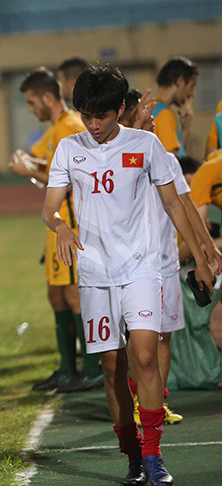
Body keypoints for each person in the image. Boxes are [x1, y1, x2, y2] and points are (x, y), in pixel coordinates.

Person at [43, 64, 215, 486]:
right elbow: (49, 207)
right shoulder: (69, 148)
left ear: (120, 109)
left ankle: (155, 455)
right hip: (95, 272)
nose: (94, 124)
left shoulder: (147, 145)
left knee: (144, 356)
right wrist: (62, 226)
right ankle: (132, 454)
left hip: (141, 268)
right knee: (111, 367)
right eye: (86, 114)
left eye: (102, 115)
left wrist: (201, 259)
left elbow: (176, 205)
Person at [119, 90, 222, 425]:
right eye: (144, 113)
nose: (152, 118)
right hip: (131, 265)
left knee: (164, 336)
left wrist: (207, 248)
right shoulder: (115, 157)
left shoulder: (164, 156)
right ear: (127, 116)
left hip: (165, 262)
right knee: (139, 339)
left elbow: (187, 204)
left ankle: (156, 403)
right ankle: (137, 401)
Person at [9, 67, 102, 393]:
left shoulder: (71, 127)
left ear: (49, 97)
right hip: (56, 223)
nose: (30, 109)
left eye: (32, 102)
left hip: (72, 223)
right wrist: (27, 162)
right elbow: (42, 163)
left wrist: (27, 171)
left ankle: (92, 368)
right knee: (57, 295)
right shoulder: (56, 128)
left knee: (75, 296)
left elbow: (71, 177)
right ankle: (67, 369)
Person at [170, 155, 222, 391]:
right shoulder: (213, 164)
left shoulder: (206, 172)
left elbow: (198, 237)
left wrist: (205, 254)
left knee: (216, 322)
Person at [153, 57, 198, 157]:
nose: (192, 94)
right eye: (192, 86)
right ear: (180, 81)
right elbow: (174, 164)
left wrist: (185, 129)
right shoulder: (165, 114)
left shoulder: (149, 108)